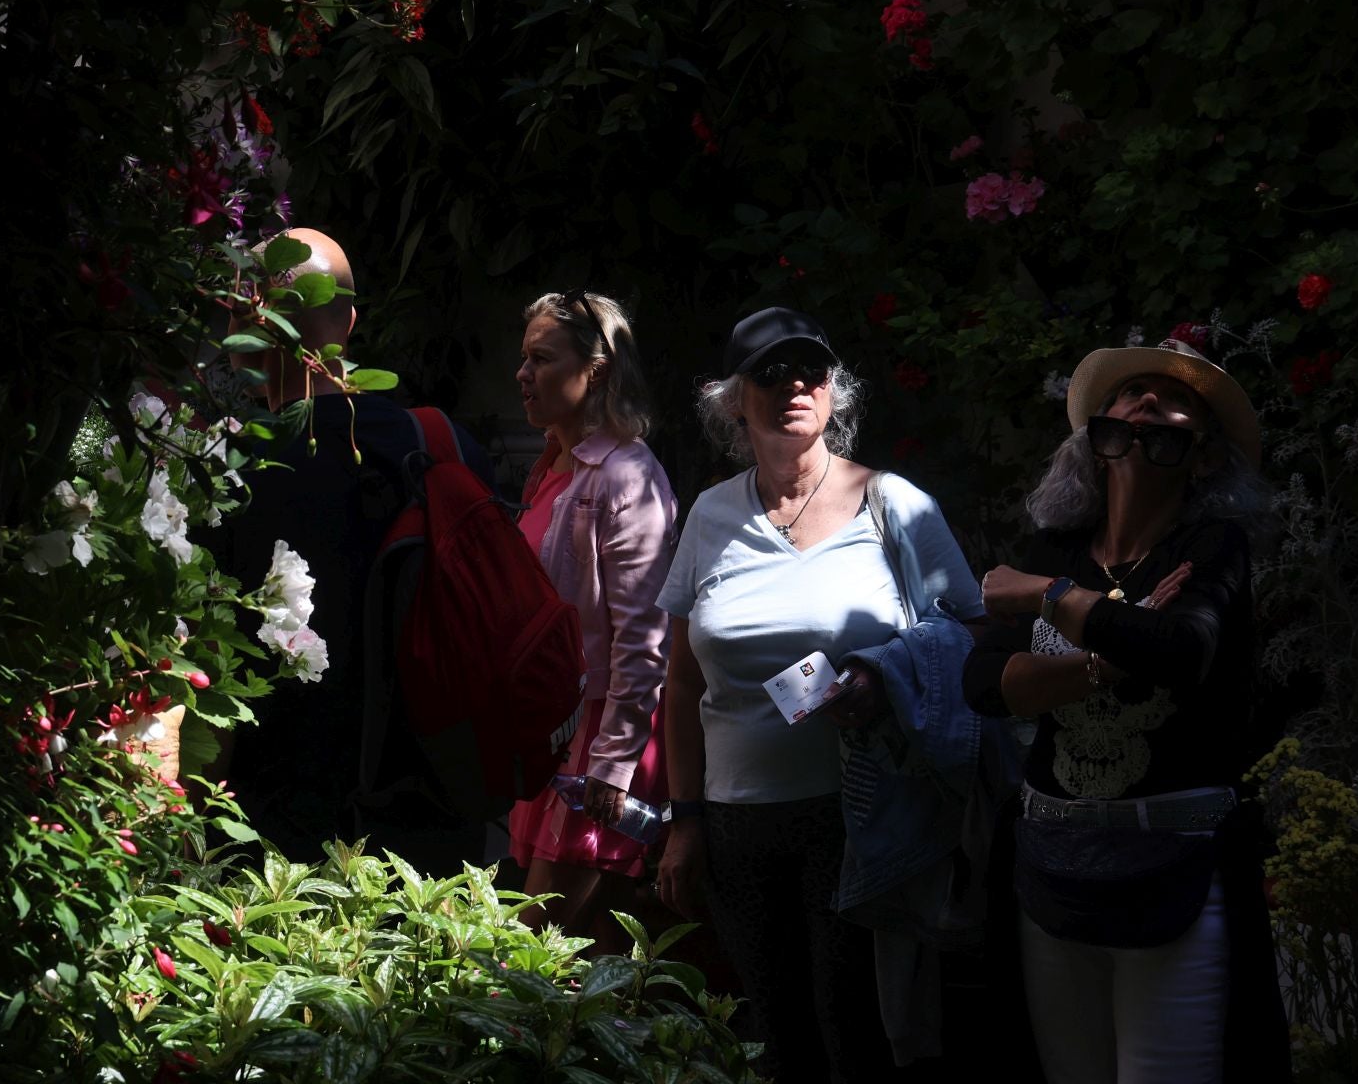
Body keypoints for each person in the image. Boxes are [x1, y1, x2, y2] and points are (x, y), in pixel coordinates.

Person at [654, 306, 986, 1083]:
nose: (795, 386)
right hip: (737, 827)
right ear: (734, 400)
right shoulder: (711, 513)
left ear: (834, 392)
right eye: (771, 373)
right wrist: (686, 818)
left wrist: (883, 674)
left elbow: (972, 634)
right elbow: (682, 678)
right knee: (775, 1041)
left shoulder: (892, 504)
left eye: (812, 370)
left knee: (857, 1037)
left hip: (860, 814)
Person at [962, 337, 1286, 1084]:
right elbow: (984, 683)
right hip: (1051, 866)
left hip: (1173, 871)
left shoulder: (1211, 548)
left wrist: (1047, 598)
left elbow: (1183, 648)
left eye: (1175, 401)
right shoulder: (1057, 545)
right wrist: (1109, 657)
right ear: (1095, 438)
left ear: (1203, 452)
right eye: (1131, 392)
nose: (1147, 400)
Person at [196, 227, 494, 872]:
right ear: (351, 321)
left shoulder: (228, 469)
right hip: (432, 812)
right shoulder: (443, 446)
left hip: (268, 824)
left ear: (252, 327)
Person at [508, 290, 678, 947]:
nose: (523, 374)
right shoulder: (553, 466)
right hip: (558, 727)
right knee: (586, 966)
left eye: (542, 359)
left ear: (597, 370)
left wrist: (613, 763)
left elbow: (645, 636)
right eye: (525, 358)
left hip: (605, 738)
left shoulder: (625, 476)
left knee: (529, 956)